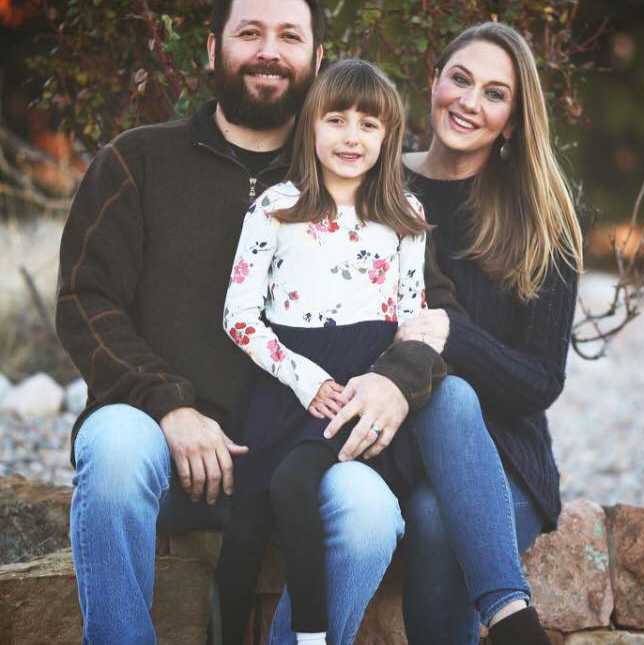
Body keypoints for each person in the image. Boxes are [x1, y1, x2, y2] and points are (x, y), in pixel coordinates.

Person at [55, 1, 452, 643]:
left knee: (371, 513)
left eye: (289, 35)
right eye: (249, 32)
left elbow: (433, 308)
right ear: (212, 49)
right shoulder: (137, 162)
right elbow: (85, 298)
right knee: (115, 453)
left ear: (317, 59)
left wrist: (395, 380)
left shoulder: (355, 181)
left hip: (306, 438)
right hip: (163, 430)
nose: (269, 50)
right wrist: (168, 405)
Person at [322, 21, 584, 645]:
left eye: (495, 94)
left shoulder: (541, 218)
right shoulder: (369, 180)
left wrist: (449, 334)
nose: (470, 102)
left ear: (514, 120)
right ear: (434, 80)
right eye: (460, 80)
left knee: (440, 519)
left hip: (500, 456)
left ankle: (506, 617)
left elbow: (540, 383)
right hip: (383, 440)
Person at [216, 58, 433, 645]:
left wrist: (385, 387)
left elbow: (412, 322)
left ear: (389, 136)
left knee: (293, 484)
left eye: (369, 124)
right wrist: (302, 376)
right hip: (286, 388)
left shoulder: (406, 218)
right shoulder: (276, 208)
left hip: (354, 396)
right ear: (311, 126)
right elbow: (238, 316)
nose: (352, 136)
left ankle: (310, 635)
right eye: (336, 119)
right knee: (243, 535)